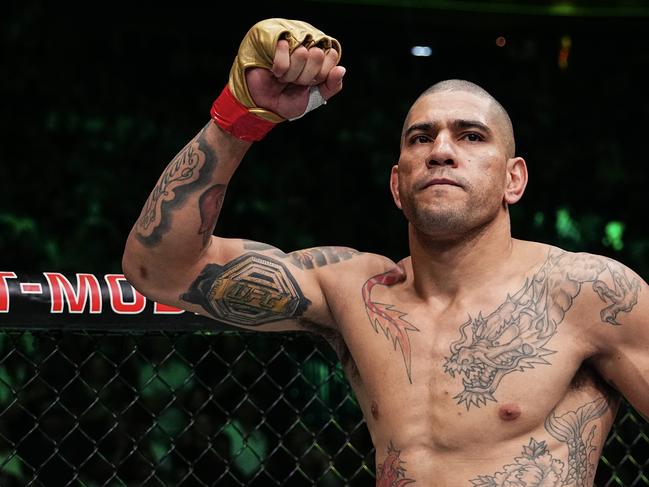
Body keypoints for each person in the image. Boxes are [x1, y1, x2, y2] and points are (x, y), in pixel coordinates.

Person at [122, 18, 649, 486]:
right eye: (421, 138)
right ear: (398, 186)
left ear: (514, 179)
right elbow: (163, 268)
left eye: (470, 136)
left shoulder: (588, 293)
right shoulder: (356, 291)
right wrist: (241, 114)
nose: (441, 150)